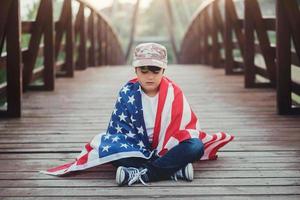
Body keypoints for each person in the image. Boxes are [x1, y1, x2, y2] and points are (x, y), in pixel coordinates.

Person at [42, 43, 234, 187]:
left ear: (164, 70)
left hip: (167, 146)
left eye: (155, 70)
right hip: (136, 147)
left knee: (195, 146)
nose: (149, 76)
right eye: (144, 70)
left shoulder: (173, 92)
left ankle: (143, 174)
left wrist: (165, 151)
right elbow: (119, 130)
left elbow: (185, 127)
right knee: (107, 147)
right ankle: (174, 170)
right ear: (135, 70)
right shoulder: (127, 93)